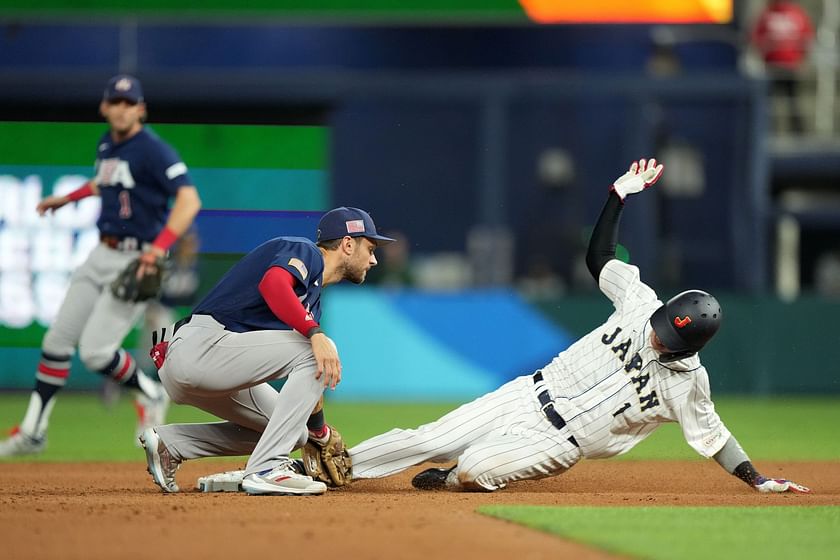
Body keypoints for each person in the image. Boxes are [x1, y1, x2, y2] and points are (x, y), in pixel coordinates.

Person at [347, 158, 810, 495]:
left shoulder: (689, 384)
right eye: (661, 324)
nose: (656, 335)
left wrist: (757, 477)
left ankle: (453, 478)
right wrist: (618, 196)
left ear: (690, 348)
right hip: (527, 394)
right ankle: (333, 467)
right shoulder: (640, 303)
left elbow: (716, 437)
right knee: (430, 439)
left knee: (472, 470)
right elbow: (600, 258)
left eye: (669, 339)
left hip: (559, 443)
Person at [0, 74, 202, 457]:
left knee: (95, 352)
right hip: (100, 253)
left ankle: (149, 392)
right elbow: (101, 182)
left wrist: (158, 249)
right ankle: (33, 432)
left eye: (130, 103)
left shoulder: (154, 150)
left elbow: (189, 201)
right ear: (105, 107)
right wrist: (66, 198)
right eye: (116, 102)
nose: (122, 109)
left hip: (136, 259)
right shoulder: (108, 143)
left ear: (141, 109)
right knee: (56, 342)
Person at [140, 206, 393, 496]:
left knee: (294, 433)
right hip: (200, 348)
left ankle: (172, 444)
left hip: (212, 363)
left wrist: (319, 433)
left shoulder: (311, 302)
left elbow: (312, 377)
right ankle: (266, 468)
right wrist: (315, 333)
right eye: (370, 248)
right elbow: (273, 284)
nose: (373, 259)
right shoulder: (305, 251)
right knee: (317, 350)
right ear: (348, 244)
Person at [750, 0, 815, 134]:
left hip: (790, 68)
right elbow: (756, 36)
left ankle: (798, 133)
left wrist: (802, 58)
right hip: (772, 67)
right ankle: (768, 132)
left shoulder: (796, 13)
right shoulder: (767, 14)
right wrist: (763, 54)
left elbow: (807, 36)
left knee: (793, 102)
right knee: (770, 103)